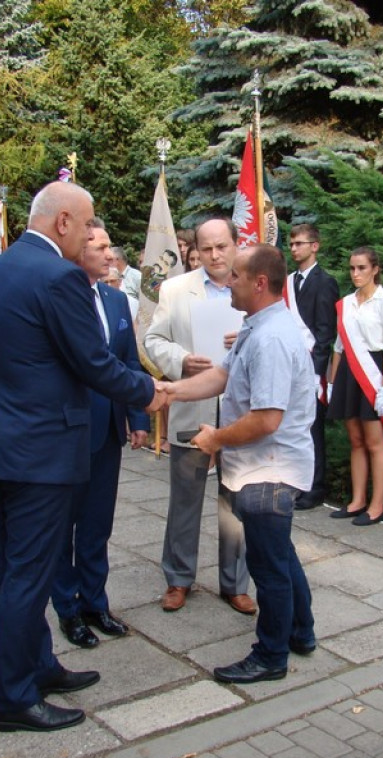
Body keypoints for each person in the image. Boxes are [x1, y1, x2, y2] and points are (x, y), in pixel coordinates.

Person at [0, 181, 165, 733]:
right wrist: (152, 392)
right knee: (29, 576)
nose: (91, 236)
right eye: (88, 223)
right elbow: (94, 363)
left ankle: (38, 664)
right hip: (40, 453)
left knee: (17, 568)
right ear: (63, 223)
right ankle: (13, 699)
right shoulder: (60, 277)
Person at [166, 244, 316, 683]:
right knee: (281, 555)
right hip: (259, 467)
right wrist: (170, 390)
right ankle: (301, 632)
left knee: (268, 570)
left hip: (269, 470)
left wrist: (215, 437)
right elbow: (222, 375)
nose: (227, 281)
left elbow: (267, 419)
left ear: (260, 283)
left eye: (235, 275)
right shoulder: (258, 325)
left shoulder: (270, 337)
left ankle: (271, 655)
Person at [144, 217, 252, 614]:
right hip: (193, 407)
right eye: (206, 249)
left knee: (235, 502)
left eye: (222, 246)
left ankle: (235, 582)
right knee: (185, 500)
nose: (215, 255)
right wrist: (181, 360)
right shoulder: (175, 290)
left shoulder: (254, 286)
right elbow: (152, 340)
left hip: (241, 414)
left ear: (236, 245)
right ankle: (178, 579)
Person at [51, 219, 150, 648]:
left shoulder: (114, 300)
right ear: (77, 250)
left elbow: (128, 363)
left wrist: (139, 418)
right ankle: (67, 610)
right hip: (66, 431)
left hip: (107, 430)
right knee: (61, 528)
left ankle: (95, 603)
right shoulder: (58, 297)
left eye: (111, 247)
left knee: (97, 525)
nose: (111, 255)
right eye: (101, 247)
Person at [326, 247, 383, 526]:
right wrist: (332, 381)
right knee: (355, 440)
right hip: (347, 371)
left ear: (375, 269)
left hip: (372, 371)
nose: (356, 273)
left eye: (362, 268)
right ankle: (357, 500)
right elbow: (338, 346)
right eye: (352, 268)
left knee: (374, 441)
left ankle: (377, 506)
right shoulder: (346, 303)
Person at [285, 223, 340, 510]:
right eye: (292, 244)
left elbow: (324, 332)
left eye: (300, 243)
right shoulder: (288, 282)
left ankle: (315, 487)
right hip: (289, 365)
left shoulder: (325, 281)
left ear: (315, 246)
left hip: (311, 369)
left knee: (311, 429)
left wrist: (315, 371)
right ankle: (296, 482)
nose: (294, 248)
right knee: (293, 428)